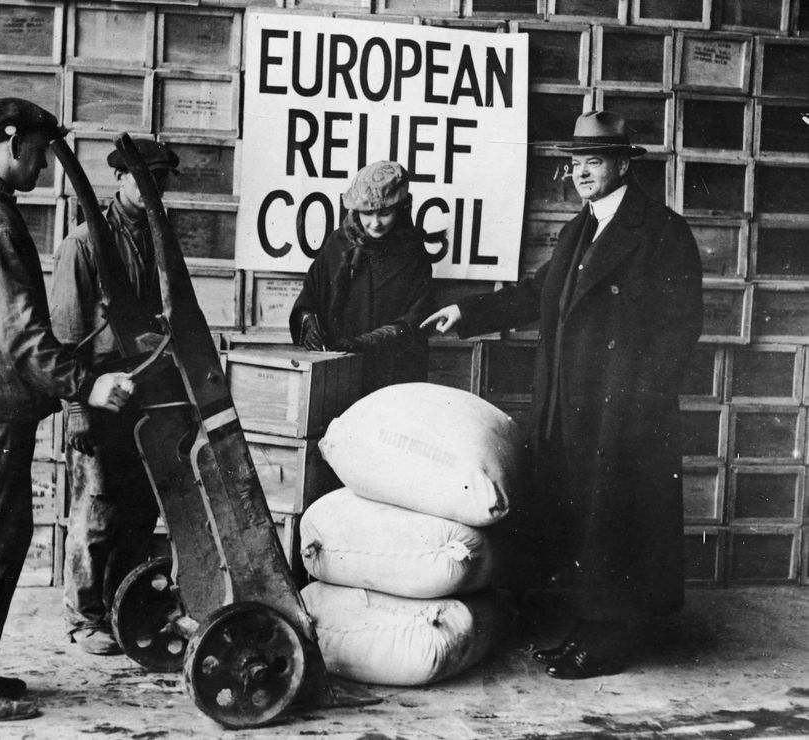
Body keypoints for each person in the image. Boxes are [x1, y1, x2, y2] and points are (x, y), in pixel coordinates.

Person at [421, 111, 703, 680]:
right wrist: (469, 311)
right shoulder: (582, 228)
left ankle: (606, 639)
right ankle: (587, 629)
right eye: (573, 163)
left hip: (623, 412)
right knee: (584, 522)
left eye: (592, 162)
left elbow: (681, 328)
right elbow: (536, 292)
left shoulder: (661, 232)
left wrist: (640, 402)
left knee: (615, 523)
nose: (579, 173)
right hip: (571, 404)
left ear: (623, 165)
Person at [0, 97, 136, 721]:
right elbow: (18, 333)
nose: (42, 164)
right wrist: (84, 386)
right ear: (14, 145)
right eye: (40, 152)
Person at [49, 140, 179, 655]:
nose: (155, 190)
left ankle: (121, 608)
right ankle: (84, 619)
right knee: (97, 510)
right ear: (120, 179)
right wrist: (76, 408)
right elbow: (62, 337)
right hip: (98, 392)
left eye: (162, 181)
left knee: (141, 507)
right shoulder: (83, 244)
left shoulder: (160, 237)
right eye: (146, 179)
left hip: (148, 391)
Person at [289, 160, 439, 395]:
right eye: (367, 213)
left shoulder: (413, 253)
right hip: (339, 369)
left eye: (385, 213)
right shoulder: (337, 244)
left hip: (392, 375)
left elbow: (416, 319)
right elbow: (310, 294)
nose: (375, 223)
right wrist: (309, 324)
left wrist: (364, 343)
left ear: (400, 208)